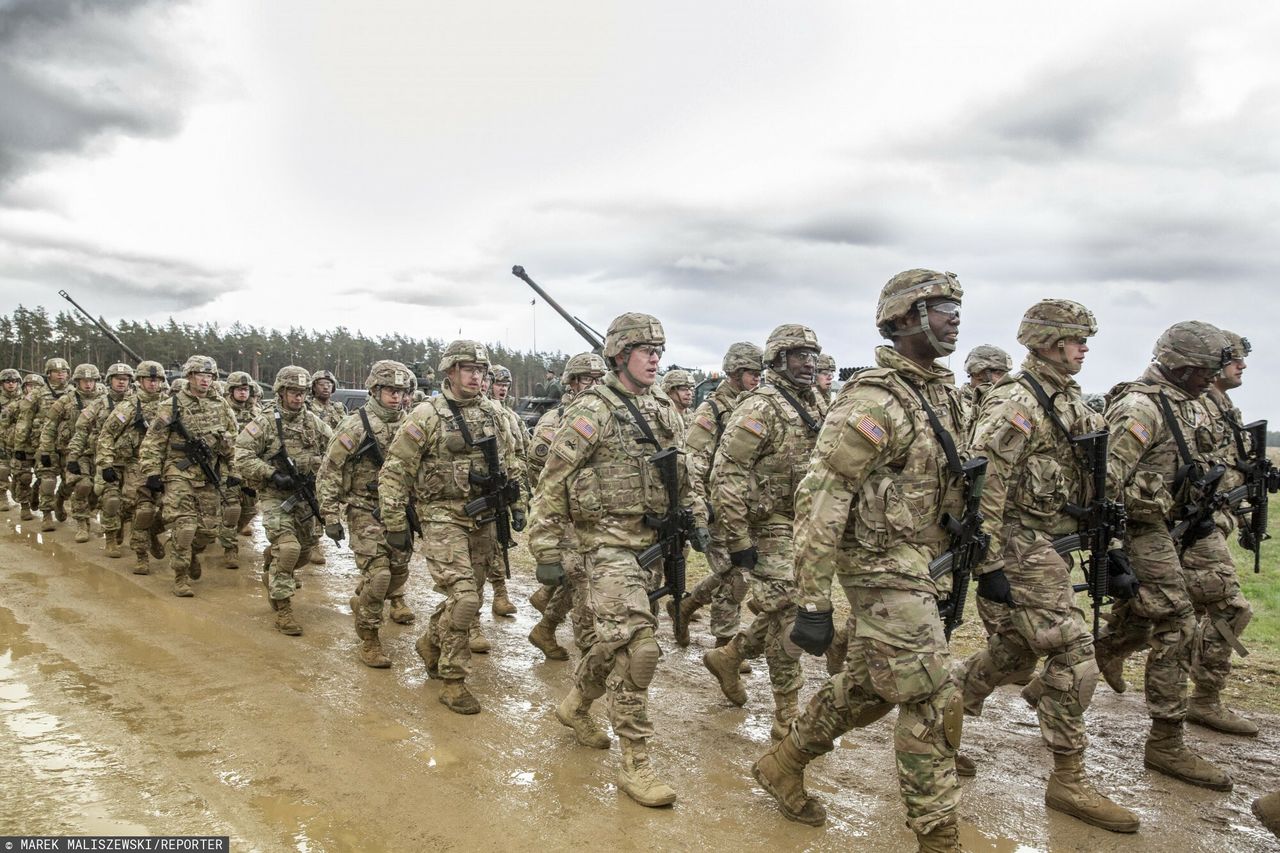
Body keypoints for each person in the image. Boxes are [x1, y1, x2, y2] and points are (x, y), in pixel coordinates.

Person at [753, 269, 968, 850]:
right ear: (903, 320)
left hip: (920, 561)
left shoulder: (942, 393)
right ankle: (937, 836)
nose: (954, 316)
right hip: (877, 564)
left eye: (955, 306)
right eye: (941, 306)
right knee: (932, 692)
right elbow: (821, 498)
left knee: (875, 686)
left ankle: (784, 761)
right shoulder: (873, 400)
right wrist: (813, 602)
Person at [952, 300, 1139, 832]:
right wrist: (989, 565)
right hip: (1017, 542)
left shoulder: (1069, 398)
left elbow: (1090, 478)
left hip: (1049, 538)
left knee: (1013, 651)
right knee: (1074, 651)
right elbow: (984, 487)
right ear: (1052, 342)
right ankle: (1068, 779)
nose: (1085, 349)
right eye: (1078, 340)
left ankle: (940, 725)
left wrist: (1113, 545)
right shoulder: (1017, 402)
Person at [528, 313, 708, 807]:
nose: (654, 358)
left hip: (649, 545)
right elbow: (552, 481)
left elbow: (683, 476)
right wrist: (544, 548)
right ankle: (637, 762)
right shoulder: (593, 411)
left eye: (659, 350)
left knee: (611, 642)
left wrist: (698, 521)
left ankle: (577, 703)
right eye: (644, 350)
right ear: (619, 354)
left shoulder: (665, 411)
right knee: (640, 647)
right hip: (602, 547)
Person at [1094, 321, 1236, 791]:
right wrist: (1113, 553)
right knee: (1176, 621)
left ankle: (1083, 665)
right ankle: (1166, 742)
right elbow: (1105, 484)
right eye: (1202, 370)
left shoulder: (1186, 406)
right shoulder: (1141, 407)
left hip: (1172, 525)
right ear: (1179, 364)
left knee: (1148, 616)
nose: (1208, 379)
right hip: (1140, 527)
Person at [378, 340, 526, 715]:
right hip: (441, 515)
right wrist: (395, 520)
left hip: (484, 519)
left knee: (465, 599)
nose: (476, 376)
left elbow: (512, 464)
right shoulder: (426, 416)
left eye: (481, 370)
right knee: (466, 598)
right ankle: (453, 680)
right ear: (450, 372)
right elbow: (395, 471)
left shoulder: (496, 414)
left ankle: (430, 641)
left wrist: (518, 504)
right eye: (467, 369)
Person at [702, 324, 825, 741]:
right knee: (791, 613)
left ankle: (731, 654)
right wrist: (737, 539)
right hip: (768, 524)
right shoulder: (761, 408)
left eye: (812, 355)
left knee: (781, 606)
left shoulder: (816, 404)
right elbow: (727, 474)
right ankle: (787, 709)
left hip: (805, 524)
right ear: (776, 361)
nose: (808, 363)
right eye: (797, 355)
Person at [1179, 329, 1259, 737]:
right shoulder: (1196, 407)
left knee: (1172, 612)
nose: (1241, 365)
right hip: (1193, 529)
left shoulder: (1223, 406)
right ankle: (1205, 699)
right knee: (1231, 608)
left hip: (1214, 522)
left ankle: (1043, 682)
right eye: (1234, 359)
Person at [317, 360, 413, 667]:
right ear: (374, 390)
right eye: (389, 390)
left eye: (400, 390)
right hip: (363, 509)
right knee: (381, 574)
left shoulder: (412, 425)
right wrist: (330, 516)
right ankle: (370, 638)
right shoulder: (355, 425)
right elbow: (330, 470)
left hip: (399, 512)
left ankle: (364, 598)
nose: (396, 396)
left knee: (398, 573)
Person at [671, 342, 764, 653]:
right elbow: (692, 461)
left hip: (744, 506)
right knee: (736, 574)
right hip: (716, 505)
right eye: (752, 372)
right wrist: (700, 506)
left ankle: (687, 606)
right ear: (735, 372)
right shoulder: (710, 412)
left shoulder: (755, 405)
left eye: (759, 372)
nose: (757, 378)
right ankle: (725, 643)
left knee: (738, 572)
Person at [234, 366, 332, 633]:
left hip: (305, 496)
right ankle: (283, 607)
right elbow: (241, 456)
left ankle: (272, 561)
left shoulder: (313, 422)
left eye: (302, 392)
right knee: (289, 548)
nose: (298, 398)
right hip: (275, 496)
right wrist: (271, 474)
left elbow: (335, 451)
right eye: (292, 392)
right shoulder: (264, 422)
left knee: (304, 550)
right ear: (280, 391)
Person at [525, 352, 608, 662]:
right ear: (571, 383)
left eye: (600, 379)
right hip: (563, 518)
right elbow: (539, 471)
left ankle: (545, 628)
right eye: (588, 379)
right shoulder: (555, 420)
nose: (595, 385)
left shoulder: (604, 415)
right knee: (584, 581)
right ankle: (590, 648)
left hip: (594, 518)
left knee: (580, 581)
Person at [139, 356, 238, 597]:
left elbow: (235, 440)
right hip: (178, 471)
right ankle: (180, 576)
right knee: (185, 527)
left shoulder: (221, 405)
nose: (206, 380)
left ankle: (190, 551)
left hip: (208, 472)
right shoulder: (172, 405)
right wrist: (152, 472)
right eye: (201, 375)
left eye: (210, 376)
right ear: (190, 376)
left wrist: (233, 468)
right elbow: (153, 441)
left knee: (208, 530)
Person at [96, 361, 169, 574]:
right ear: (140, 381)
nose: (153, 384)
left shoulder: (171, 405)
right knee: (143, 510)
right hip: (137, 465)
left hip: (167, 465)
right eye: (149, 380)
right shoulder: (128, 407)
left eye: (157, 380)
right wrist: (106, 463)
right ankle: (141, 554)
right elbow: (107, 435)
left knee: (172, 511)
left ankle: (153, 533)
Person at [476, 364, 528, 620]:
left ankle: (500, 593)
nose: (500, 389)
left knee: (498, 541)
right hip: (475, 491)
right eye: (497, 383)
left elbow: (518, 454)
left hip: (502, 485)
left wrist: (518, 501)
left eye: (505, 385)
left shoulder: (509, 417)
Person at [65, 363, 133, 550]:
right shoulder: (99, 404)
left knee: (131, 502)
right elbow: (81, 431)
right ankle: (104, 535)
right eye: (117, 378)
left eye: (125, 379)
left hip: (131, 461)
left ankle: (119, 525)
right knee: (108, 498)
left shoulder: (137, 403)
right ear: (109, 380)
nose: (121, 382)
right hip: (101, 457)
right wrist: (73, 457)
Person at [39, 363, 104, 537]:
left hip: (99, 451)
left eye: (91, 380)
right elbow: (49, 426)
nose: (88, 384)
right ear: (77, 381)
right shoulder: (65, 401)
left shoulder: (105, 399)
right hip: (72, 451)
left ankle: (60, 498)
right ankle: (82, 524)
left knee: (97, 491)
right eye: (84, 381)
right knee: (83, 485)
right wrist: (46, 451)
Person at [14, 357, 71, 528]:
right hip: (44, 445)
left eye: (64, 372)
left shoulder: (74, 393)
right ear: (48, 374)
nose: (60, 375)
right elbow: (24, 421)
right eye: (56, 372)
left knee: (71, 481)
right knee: (48, 479)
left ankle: (60, 500)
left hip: (69, 446)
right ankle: (47, 514)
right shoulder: (36, 395)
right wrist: (19, 447)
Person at [223, 371, 262, 543]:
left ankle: (230, 532)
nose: (243, 393)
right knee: (231, 509)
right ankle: (230, 547)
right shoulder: (222, 410)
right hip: (227, 467)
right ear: (231, 391)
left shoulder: (257, 413)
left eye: (245, 389)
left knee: (249, 509)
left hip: (250, 469)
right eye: (238, 389)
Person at [960, 345, 1012, 428]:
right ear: (977, 374)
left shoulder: (1002, 403)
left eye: (1006, 374)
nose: (1005, 378)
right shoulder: (955, 406)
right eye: (999, 373)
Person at [0, 367, 22, 511]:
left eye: (14, 381)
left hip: (20, 441)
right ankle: (2, 497)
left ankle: (16, 488)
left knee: (21, 472)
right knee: (2, 470)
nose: (11, 384)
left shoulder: (25, 399)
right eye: (7, 381)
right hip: (2, 441)